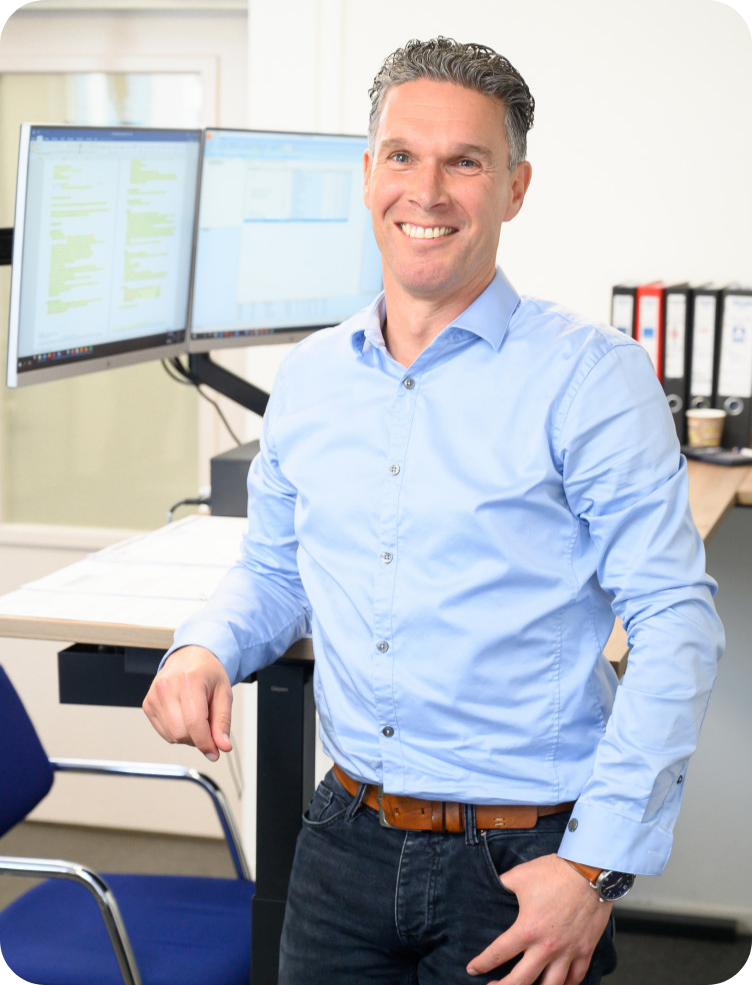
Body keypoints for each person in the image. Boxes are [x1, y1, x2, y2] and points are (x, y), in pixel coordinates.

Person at [143, 37, 724, 985]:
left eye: (467, 161)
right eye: (405, 156)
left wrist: (594, 865)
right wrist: (203, 646)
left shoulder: (589, 378)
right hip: (342, 838)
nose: (429, 190)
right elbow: (276, 569)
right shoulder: (312, 376)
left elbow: (677, 625)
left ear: (516, 186)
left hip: (522, 856)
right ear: (368, 173)